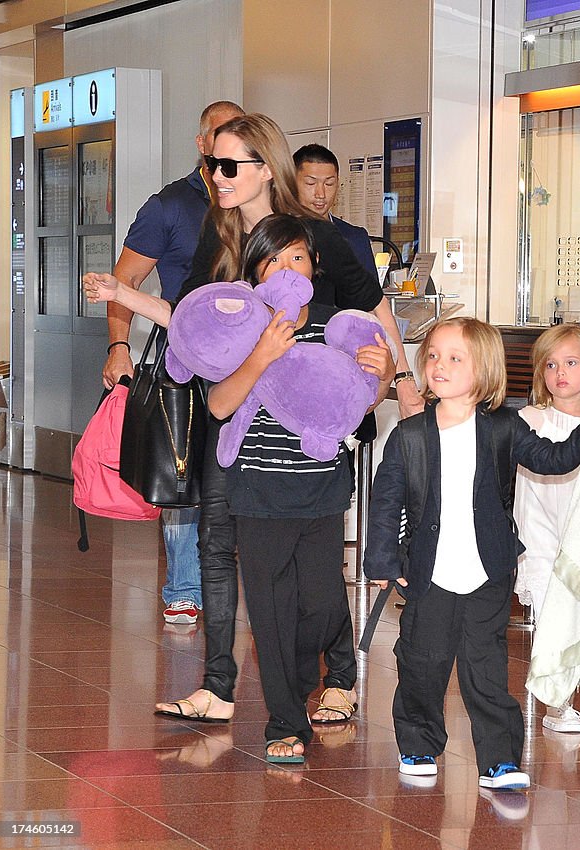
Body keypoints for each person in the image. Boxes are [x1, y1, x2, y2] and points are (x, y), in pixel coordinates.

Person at [87, 113, 392, 725]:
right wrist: (123, 299)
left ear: (263, 168)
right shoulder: (219, 237)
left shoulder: (313, 239)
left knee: (316, 567)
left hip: (306, 425)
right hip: (232, 413)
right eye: (211, 166)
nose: (216, 178)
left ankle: (340, 675)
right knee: (215, 541)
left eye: (228, 167)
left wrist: (394, 381)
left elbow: (375, 307)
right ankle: (219, 688)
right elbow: (187, 317)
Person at [364, 317, 580, 790]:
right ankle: (419, 743)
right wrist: (382, 560)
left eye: (454, 358)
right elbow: (385, 501)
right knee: (421, 663)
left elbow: (553, 459)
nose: (438, 366)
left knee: (486, 670)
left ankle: (499, 760)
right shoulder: (410, 436)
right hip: (429, 574)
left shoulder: (505, 427)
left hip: (488, 572)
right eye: (432, 356)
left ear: (483, 370)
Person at [204, 214, 391, 763]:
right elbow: (219, 406)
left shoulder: (338, 325)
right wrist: (262, 353)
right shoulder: (244, 326)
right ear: (256, 268)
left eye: (298, 258)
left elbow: (360, 400)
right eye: (274, 259)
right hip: (259, 495)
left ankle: (300, 669)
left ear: (313, 267)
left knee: (323, 603)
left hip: (322, 492)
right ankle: (284, 721)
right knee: (269, 611)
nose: (287, 268)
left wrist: (380, 377)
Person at [98, 100, 244, 626]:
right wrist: (119, 347)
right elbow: (124, 283)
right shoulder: (169, 206)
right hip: (181, 359)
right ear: (203, 143)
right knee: (182, 464)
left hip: (245, 359)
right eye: (220, 134)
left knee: (236, 464)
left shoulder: (255, 205)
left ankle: (236, 577)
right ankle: (185, 583)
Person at [293, 143, 424, 418]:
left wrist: (402, 377)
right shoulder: (282, 235)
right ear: (291, 182)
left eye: (329, 184)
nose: (320, 194)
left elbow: (374, 304)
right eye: (310, 183)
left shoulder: (353, 237)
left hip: (350, 360)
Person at [514, 324, 580, 734]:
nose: (560, 372)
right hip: (539, 541)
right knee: (551, 618)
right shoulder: (530, 420)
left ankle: (566, 691)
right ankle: (558, 702)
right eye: (550, 364)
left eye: (571, 362)